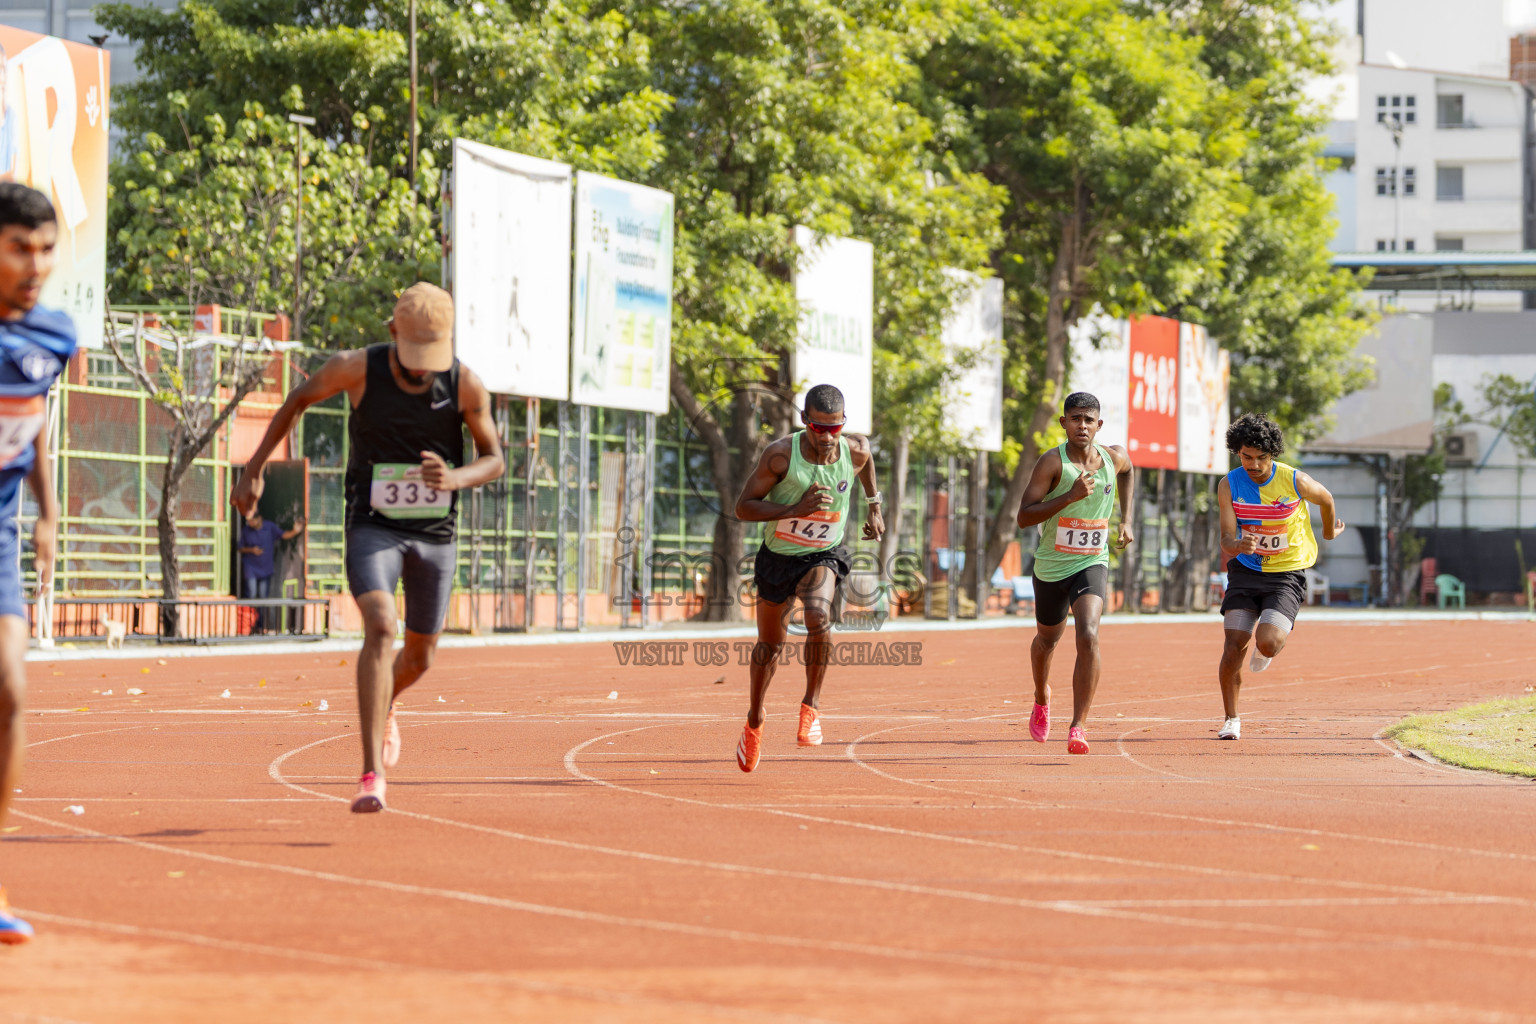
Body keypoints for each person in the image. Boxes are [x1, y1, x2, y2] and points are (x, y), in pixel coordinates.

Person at [233, 283, 502, 812]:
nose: (421, 371)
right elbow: (297, 400)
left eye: (432, 359)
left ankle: (388, 701)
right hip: (372, 522)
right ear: (392, 333)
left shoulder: (465, 383)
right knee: (381, 625)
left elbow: (493, 458)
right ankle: (371, 774)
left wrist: (455, 477)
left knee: (421, 655)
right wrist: (255, 467)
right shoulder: (355, 368)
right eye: (412, 358)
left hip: (434, 531)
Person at [731, 384, 884, 772]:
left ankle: (811, 707)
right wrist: (794, 508)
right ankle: (755, 720)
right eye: (819, 428)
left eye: (835, 428)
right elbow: (743, 508)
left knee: (819, 616)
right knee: (770, 646)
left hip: (824, 552)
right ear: (804, 422)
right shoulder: (780, 456)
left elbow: (866, 468)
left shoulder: (855, 449)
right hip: (778, 557)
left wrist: (873, 506)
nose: (828, 436)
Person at [0, 184, 77, 943]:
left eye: (47, 247)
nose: (36, 263)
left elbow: (33, 420)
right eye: (19, 247)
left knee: (11, 691)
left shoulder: (55, 334)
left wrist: (48, 514)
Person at [1015, 392, 1134, 755]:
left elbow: (1129, 472)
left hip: (1092, 560)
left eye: (1089, 419)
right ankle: (1041, 696)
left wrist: (1127, 519)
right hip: (1052, 566)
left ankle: (1078, 725)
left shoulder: (1114, 458)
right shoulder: (1053, 463)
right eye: (1075, 418)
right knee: (1047, 641)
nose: (1082, 425)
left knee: (1089, 632)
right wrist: (1068, 496)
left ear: (1099, 425)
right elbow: (1024, 517)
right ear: (1064, 423)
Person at [1214, 413, 1343, 740]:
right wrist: (1239, 544)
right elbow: (1226, 539)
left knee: (1268, 642)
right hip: (1246, 570)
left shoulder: (1295, 480)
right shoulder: (1229, 484)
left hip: (1286, 572)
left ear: (1273, 455)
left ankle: (1266, 650)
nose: (1254, 464)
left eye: (1262, 458)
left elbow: (1326, 499)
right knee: (1233, 645)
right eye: (1247, 457)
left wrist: (1328, 533)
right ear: (1237, 452)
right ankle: (1232, 718)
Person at [237, 509, 304, 632]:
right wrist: (252, 550)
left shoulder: (269, 527)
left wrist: (295, 531)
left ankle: (261, 626)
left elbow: (283, 535)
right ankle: (248, 626)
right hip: (251, 568)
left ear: (259, 518)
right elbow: (240, 548)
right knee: (251, 595)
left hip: (265, 568)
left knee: (263, 597)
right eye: (249, 521)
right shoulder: (247, 530)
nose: (251, 523)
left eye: (252, 520)